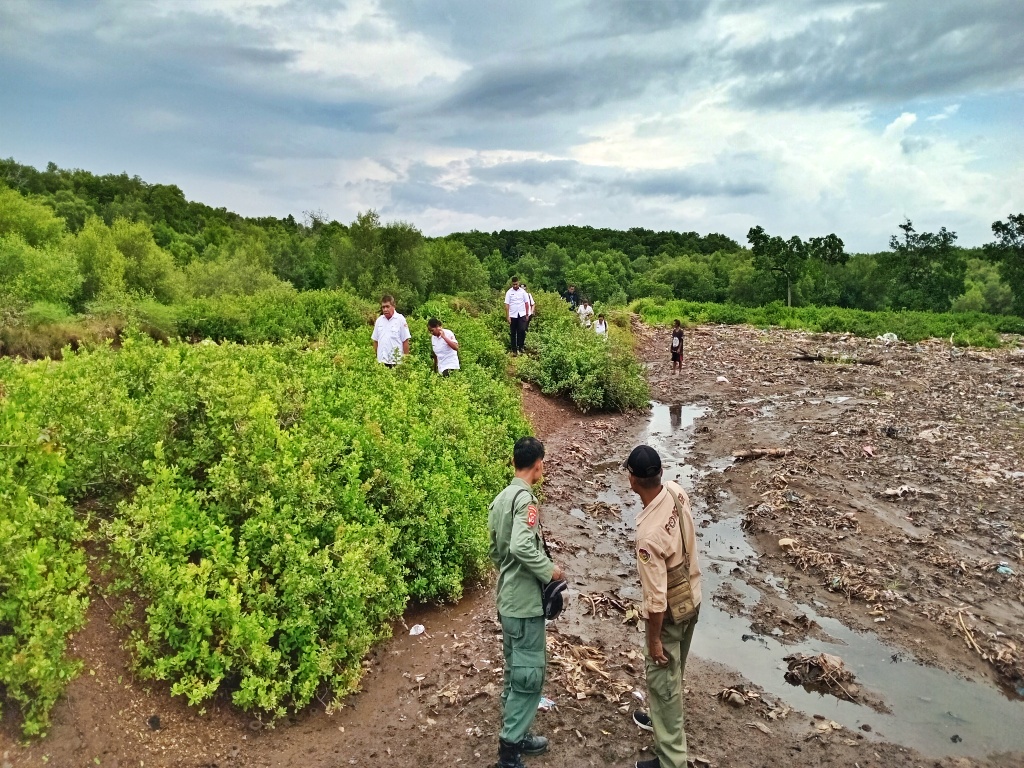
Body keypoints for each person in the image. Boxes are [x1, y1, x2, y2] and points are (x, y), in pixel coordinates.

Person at [488, 437, 565, 768]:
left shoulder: (500, 499)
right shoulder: (525, 501)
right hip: (523, 606)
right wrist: (551, 572)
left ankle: (516, 733)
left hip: (507, 601)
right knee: (528, 675)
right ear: (538, 464)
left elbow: (496, 552)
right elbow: (521, 546)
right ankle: (509, 751)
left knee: (514, 671)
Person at [625, 445, 702, 768]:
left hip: (669, 614)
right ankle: (660, 724)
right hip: (692, 598)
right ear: (659, 473)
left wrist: (653, 639)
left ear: (633, 479)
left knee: (663, 681)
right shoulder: (675, 490)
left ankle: (672, 760)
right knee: (674, 673)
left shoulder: (648, 534)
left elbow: (655, 600)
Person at [371, 295, 411, 366]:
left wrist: (406, 361)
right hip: (381, 362)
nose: (385, 309)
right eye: (383, 307)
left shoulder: (400, 319)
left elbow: (405, 341)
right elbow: (375, 340)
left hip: (396, 362)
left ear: (393, 306)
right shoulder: (379, 320)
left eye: (387, 306)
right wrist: (375, 358)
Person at [505, 277, 529, 355]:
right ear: (512, 284)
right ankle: (514, 350)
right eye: (513, 284)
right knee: (513, 332)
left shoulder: (523, 292)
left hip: (522, 314)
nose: (515, 285)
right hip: (513, 314)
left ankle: (520, 346)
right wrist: (508, 316)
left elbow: (526, 303)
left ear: (518, 283)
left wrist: (527, 314)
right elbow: (507, 304)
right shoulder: (509, 292)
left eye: (516, 284)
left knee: (522, 330)